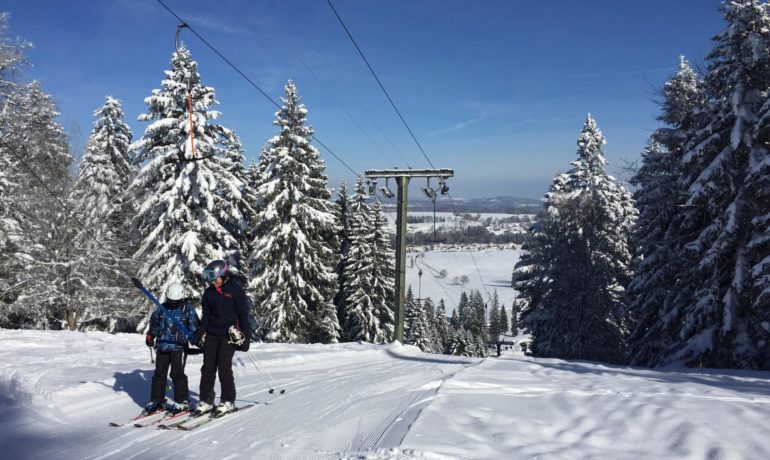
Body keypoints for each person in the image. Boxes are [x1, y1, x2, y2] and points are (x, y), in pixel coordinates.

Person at [194, 259, 251, 417]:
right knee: (207, 368)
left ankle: (228, 401)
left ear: (223, 275)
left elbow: (243, 314)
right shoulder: (208, 293)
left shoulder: (235, 291)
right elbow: (206, 317)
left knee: (224, 367)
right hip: (212, 334)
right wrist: (199, 333)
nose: (213, 282)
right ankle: (206, 400)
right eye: (210, 280)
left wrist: (246, 336)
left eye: (215, 279)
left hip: (229, 335)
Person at [144, 281, 199, 415]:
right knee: (159, 374)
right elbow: (155, 324)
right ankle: (157, 400)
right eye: (170, 301)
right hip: (162, 345)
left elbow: (194, 326)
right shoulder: (161, 309)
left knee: (176, 374)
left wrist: (196, 339)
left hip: (178, 347)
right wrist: (151, 335)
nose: (173, 304)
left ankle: (182, 401)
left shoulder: (187, 309)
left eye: (176, 302)